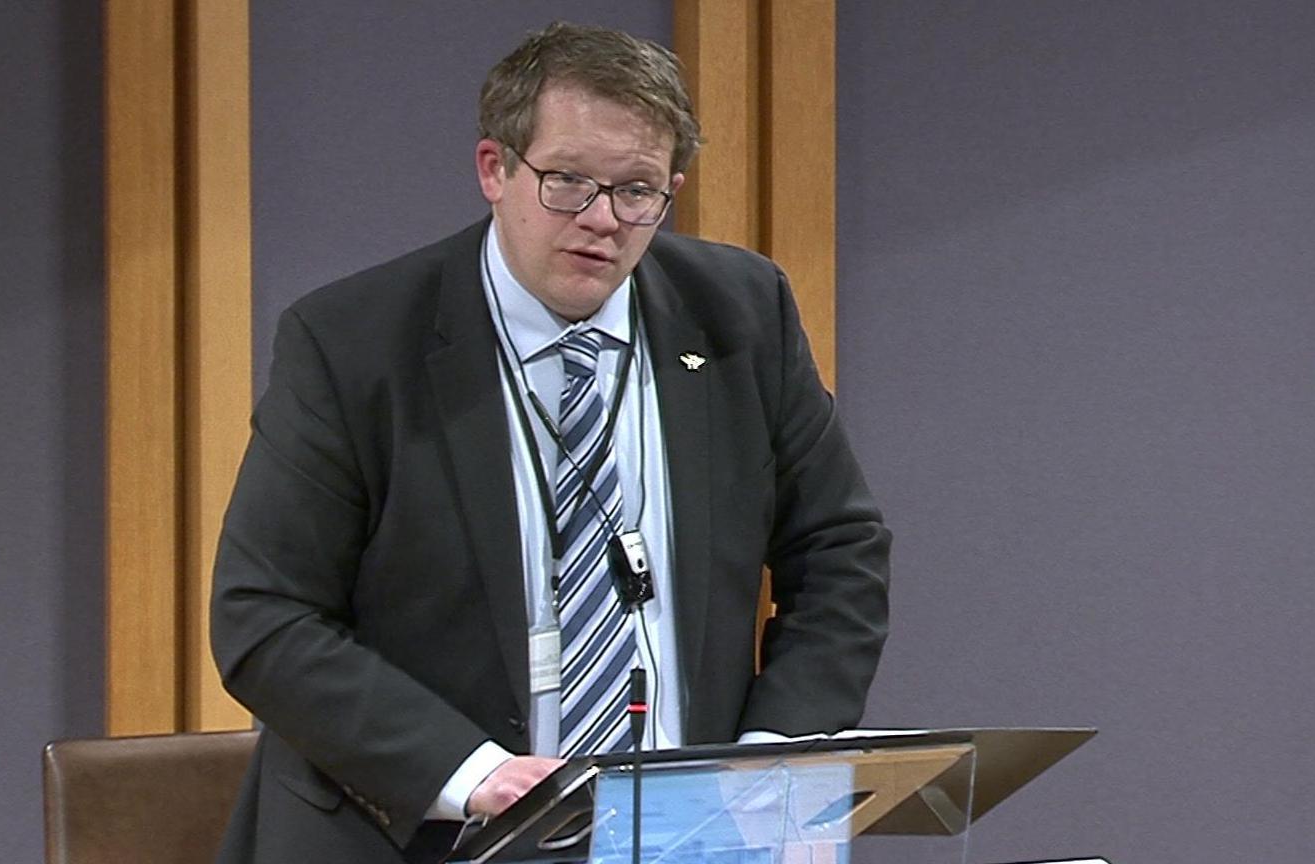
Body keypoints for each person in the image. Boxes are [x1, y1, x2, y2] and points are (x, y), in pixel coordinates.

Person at [210, 21, 890, 864]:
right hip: (426, 833)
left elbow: (840, 549)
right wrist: (474, 773)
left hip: (688, 838)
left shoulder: (741, 313)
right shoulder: (353, 342)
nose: (603, 220)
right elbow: (264, 616)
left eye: (637, 190)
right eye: (568, 182)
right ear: (494, 169)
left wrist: (773, 752)